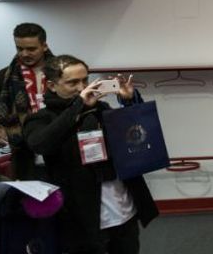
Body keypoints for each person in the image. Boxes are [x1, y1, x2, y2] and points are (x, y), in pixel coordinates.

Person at [23, 55, 157, 254]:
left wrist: (129, 102)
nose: (82, 87)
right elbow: (40, 144)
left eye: (85, 80)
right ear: (51, 85)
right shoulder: (41, 118)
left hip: (121, 207)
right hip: (80, 215)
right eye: (72, 82)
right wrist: (78, 105)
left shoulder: (101, 109)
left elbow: (137, 135)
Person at [0, 23, 55, 180]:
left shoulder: (63, 71)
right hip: (23, 152)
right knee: (29, 201)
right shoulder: (3, 75)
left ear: (44, 46)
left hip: (60, 146)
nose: (25, 53)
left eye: (31, 49)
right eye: (19, 48)